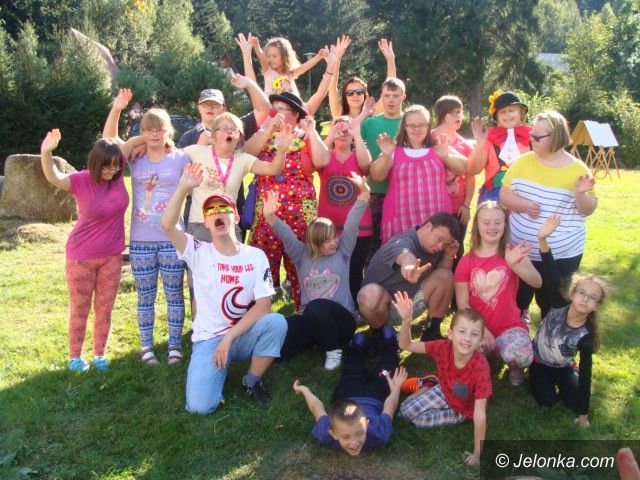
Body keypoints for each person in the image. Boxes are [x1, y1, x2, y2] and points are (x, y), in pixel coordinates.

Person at [161, 163, 287, 414]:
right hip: (208, 338)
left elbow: (264, 306)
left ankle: (251, 380)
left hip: (242, 334)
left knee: (277, 323)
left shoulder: (255, 256)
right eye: (211, 211)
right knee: (200, 407)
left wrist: (229, 338)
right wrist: (183, 187)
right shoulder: (197, 251)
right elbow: (168, 225)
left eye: (224, 209)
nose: (217, 213)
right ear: (206, 223)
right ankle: (216, 368)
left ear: (236, 217)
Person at [39, 128, 137, 372]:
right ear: (95, 162)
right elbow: (53, 177)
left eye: (116, 166)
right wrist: (46, 152)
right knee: (80, 309)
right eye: (107, 166)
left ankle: (100, 354)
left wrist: (154, 136)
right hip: (80, 257)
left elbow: (133, 140)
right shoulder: (81, 180)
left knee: (104, 309)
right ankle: (75, 357)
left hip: (112, 256)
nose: (112, 170)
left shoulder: (117, 175)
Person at [263, 172, 369, 370]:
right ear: (314, 243)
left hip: (342, 322)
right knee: (282, 339)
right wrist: (270, 216)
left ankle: (333, 350)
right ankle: (313, 341)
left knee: (316, 307)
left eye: (334, 237)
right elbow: (286, 235)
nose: (334, 242)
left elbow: (352, 224)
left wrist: (363, 197)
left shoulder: (343, 251)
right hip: (310, 318)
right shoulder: (301, 255)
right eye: (327, 240)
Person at [500, 110, 598, 321]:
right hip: (522, 253)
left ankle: (551, 337)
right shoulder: (522, 162)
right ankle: (516, 330)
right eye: (531, 135)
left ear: (557, 137)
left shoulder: (577, 169)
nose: (532, 140)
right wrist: (524, 205)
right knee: (517, 300)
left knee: (554, 304)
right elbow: (504, 195)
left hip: (561, 256)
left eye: (537, 137)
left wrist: (580, 194)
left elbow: (588, 209)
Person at [247, 91, 330, 309]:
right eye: (274, 109)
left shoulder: (305, 138)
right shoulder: (264, 136)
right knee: (263, 264)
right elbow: (246, 152)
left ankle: (306, 313)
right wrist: (268, 129)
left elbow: (322, 160)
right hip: (266, 214)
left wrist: (311, 130)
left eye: (282, 109)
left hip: (300, 215)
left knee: (302, 264)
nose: (277, 113)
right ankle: (260, 314)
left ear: (295, 115)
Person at [122, 106, 190, 365]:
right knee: (145, 296)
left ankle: (174, 347)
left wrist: (161, 139)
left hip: (173, 238)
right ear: (142, 132)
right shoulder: (135, 158)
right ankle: (146, 348)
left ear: (168, 130)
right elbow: (119, 147)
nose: (154, 134)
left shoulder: (180, 158)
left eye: (159, 129)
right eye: (148, 129)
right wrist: (141, 140)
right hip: (141, 240)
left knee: (174, 294)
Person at [454, 201, 542, 386]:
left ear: (505, 224)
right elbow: (462, 304)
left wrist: (514, 265)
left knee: (521, 355)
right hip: (477, 328)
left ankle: (515, 366)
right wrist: (482, 330)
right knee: (464, 355)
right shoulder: (466, 261)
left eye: (497, 222)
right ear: (477, 226)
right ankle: (484, 360)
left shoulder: (513, 253)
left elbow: (537, 282)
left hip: (508, 327)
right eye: (486, 222)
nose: (492, 227)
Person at [396, 298, 492, 466]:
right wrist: (406, 321)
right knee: (405, 411)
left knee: (418, 420)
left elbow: (480, 414)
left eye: (474, 334)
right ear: (450, 334)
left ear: (480, 340)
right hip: (445, 389)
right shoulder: (442, 347)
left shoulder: (481, 368)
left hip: (462, 409)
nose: (467, 338)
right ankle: (430, 384)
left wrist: (478, 453)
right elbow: (406, 345)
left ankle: (430, 387)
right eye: (462, 331)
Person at [530, 215, 605, 428]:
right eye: (582, 293)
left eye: (592, 297)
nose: (585, 299)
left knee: (573, 402)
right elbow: (551, 272)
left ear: (596, 305)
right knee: (547, 401)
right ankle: (543, 381)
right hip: (539, 362)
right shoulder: (558, 302)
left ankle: (570, 374)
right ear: (572, 294)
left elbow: (587, 373)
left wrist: (583, 415)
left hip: (563, 366)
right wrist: (542, 239)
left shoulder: (586, 334)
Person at [292, 333, 407, 455]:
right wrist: (395, 388)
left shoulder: (325, 431)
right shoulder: (380, 433)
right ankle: (390, 343)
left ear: (367, 425)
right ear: (333, 434)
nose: (354, 443)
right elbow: (390, 405)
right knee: (387, 370)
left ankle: (357, 347)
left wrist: (305, 390)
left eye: (360, 433)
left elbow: (317, 407)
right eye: (346, 436)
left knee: (352, 369)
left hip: (347, 393)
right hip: (376, 395)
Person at [370, 104, 467, 243]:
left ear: (428, 126)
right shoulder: (393, 150)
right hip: (401, 218)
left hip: (436, 218)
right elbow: (376, 176)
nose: (417, 129)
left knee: (437, 253)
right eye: (412, 125)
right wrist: (386, 155)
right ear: (404, 127)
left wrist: (446, 156)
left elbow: (463, 168)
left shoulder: (438, 147)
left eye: (422, 125)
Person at [357, 212, 460, 341]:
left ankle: (432, 331)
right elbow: (405, 255)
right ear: (428, 226)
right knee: (369, 294)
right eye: (439, 239)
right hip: (382, 307)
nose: (440, 247)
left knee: (446, 276)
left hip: (410, 304)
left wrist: (448, 256)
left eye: (445, 244)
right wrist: (409, 268)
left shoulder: (437, 248)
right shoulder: (402, 241)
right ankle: (380, 334)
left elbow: (443, 279)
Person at [319, 116, 372, 301]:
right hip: (329, 228)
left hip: (359, 227)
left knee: (354, 271)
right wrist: (329, 137)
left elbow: (366, 165)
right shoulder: (326, 155)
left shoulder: (359, 154)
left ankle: (355, 308)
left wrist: (357, 135)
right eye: (338, 130)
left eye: (347, 131)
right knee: (329, 271)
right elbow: (316, 160)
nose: (342, 134)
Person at [360, 77, 406, 258]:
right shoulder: (370, 123)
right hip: (374, 192)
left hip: (402, 192)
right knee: (372, 246)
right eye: (387, 95)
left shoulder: (410, 123)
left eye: (395, 95)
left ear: (403, 96)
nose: (391, 100)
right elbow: (350, 135)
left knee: (398, 244)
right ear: (381, 97)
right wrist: (363, 114)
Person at [431, 95, 476, 263]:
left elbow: (471, 177)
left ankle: (455, 280)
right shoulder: (427, 139)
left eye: (460, 112)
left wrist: (467, 205)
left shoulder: (465, 145)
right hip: (432, 206)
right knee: (432, 250)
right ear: (442, 115)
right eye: (453, 113)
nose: (458, 116)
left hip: (457, 209)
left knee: (455, 249)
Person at [468, 90, 531, 203]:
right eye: (502, 112)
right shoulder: (488, 139)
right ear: (496, 116)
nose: (507, 115)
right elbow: (473, 170)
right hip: (493, 202)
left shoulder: (533, 138)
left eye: (511, 110)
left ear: (521, 113)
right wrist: (480, 144)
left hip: (526, 200)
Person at [328, 37, 396, 120]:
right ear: (345, 96)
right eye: (350, 93)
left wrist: (391, 60)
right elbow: (332, 87)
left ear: (365, 94)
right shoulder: (339, 113)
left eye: (359, 92)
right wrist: (337, 58)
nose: (355, 95)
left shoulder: (373, 112)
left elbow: (390, 87)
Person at [248, 35, 328, 97]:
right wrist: (257, 47)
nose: (271, 59)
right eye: (268, 56)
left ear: (284, 57)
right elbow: (262, 58)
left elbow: (304, 67)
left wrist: (318, 57)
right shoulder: (268, 72)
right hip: (273, 111)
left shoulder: (290, 74)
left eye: (274, 56)